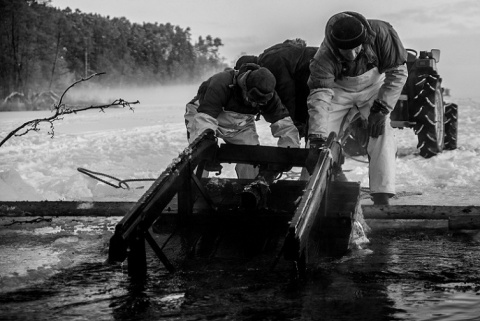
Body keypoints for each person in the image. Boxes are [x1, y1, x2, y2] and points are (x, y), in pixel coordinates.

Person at [306, 11, 408, 205]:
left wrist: (382, 109)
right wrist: (316, 139)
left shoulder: (382, 33)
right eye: (346, 51)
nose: (352, 55)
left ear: (364, 39)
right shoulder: (323, 57)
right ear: (336, 47)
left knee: (382, 131)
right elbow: (320, 98)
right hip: (338, 90)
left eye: (356, 48)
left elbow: (398, 73)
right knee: (323, 139)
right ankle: (316, 191)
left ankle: (382, 194)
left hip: (374, 88)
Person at [185, 63, 300, 179]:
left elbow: (285, 126)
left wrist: (287, 156)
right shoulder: (221, 83)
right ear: (244, 87)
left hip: (240, 124)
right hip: (203, 114)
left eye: (259, 103)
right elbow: (205, 119)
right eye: (252, 99)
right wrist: (207, 148)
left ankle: (250, 189)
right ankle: (194, 189)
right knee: (199, 153)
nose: (254, 104)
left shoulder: (271, 98)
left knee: (252, 157)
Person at [235, 39, 318, 142]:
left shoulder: (269, 60)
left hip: (318, 70)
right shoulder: (272, 54)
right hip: (315, 72)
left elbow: (287, 93)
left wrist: (293, 123)